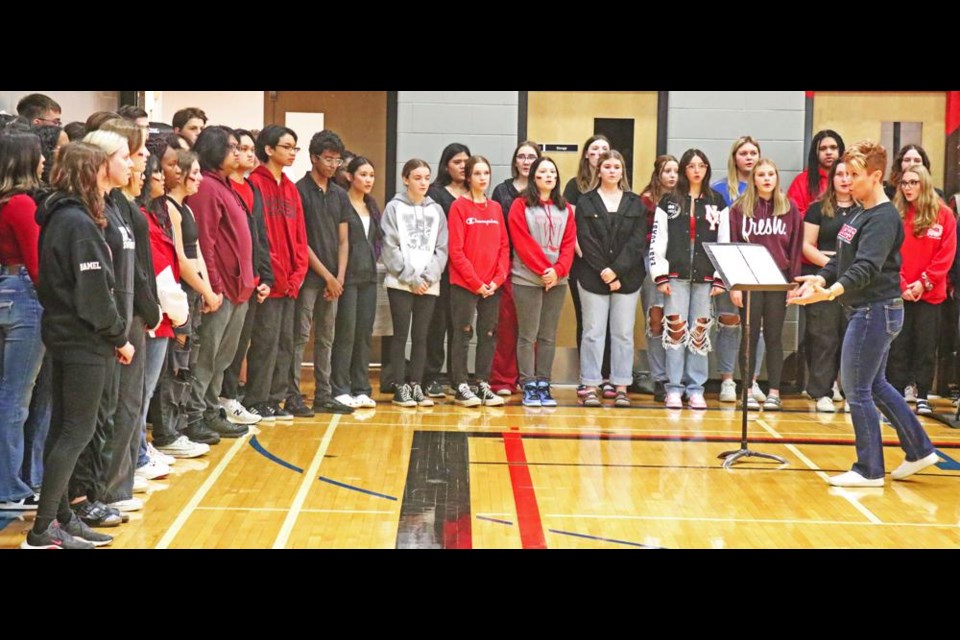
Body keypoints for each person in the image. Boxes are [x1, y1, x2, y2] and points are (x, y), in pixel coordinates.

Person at [791, 140, 939, 487]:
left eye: (855, 175)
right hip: (868, 308)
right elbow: (842, 260)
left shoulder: (884, 217)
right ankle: (919, 449)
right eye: (845, 174)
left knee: (856, 388)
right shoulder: (858, 211)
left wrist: (831, 292)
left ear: (875, 177)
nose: (847, 180)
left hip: (875, 309)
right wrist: (821, 276)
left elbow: (866, 268)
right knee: (875, 385)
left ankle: (869, 469)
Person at [24, 141, 131, 548]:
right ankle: (43, 528)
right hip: (82, 340)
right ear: (93, 172)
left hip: (66, 335)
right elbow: (93, 294)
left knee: (63, 429)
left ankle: (62, 516)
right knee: (75, 432)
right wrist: (119, 335)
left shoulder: (63, 217)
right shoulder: (78, 223)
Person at [183, 126, 256, 439]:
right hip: (221, 290)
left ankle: (211, 410)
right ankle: (196, 415)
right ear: (215, 151)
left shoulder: (226, 186)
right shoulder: (208, 189)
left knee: (223, 357)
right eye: (232, 147)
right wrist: (211, 289)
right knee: (208, 356)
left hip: (238, 289)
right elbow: (206, 243)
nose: (238, 153)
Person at [650, 149, 729, 410]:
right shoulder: (670, 201)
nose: (696, 170)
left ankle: (696, 388)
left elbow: (724, 241)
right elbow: (657, 239)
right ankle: (674, 388)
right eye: (691, 166)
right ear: (684, 169)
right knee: (675, 330)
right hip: (676, 274)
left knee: (699, 331)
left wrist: (720, 277)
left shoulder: (717, 201)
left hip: (705, 275)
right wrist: (660, 275)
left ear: (707, 169)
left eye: (702, 165)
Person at [728, 159, 804, 411]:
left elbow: (794, 247)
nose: (766, 178)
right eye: (761, 174)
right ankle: (747, 389)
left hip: (777, 279)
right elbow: (733, 247)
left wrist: (793, 283)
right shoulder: (740, 208)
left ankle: (774, 391)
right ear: (754, 178)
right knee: (748, 335)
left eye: (771, 173)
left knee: (774, 336)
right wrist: (735, 285)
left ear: (777, 177)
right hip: (749, 279)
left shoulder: (789, 208)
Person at [573, 150, 645, 408]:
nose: (612, 170)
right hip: (592, 276)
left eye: (617, 166)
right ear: (599, 170)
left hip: (628, 277)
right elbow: (585, 239)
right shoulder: (586, 202)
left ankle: (621, 385)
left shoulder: (635, 203)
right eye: (607, 166)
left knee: (623, 333)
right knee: (593, 332)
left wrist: (616, 271)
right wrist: (604, 270)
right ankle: (590, 384)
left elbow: (637, 243)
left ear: (622, 171)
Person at [246, 125, 309, 420]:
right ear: (269, 149)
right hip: (270, 282)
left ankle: (276, 397)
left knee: (286, 342)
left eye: (295, 147)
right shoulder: (256, 184)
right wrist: (270, 275)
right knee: (265, 342)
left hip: (291, 282)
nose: (292, 152)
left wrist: (298, 273)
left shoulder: (291, 187)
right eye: (286, 146)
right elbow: (260, 237)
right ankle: (258, 399)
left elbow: (299, 236)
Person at [886, 164, 957, 415]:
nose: (907, 187)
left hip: (931, 294)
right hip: (901, 292)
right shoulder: (895, 214)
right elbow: (891, 253)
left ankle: (923, 393)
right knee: (899, 346)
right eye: (904, 183)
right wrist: (904, 284)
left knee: (926, 346)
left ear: (924, 184)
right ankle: (895, 395)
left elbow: (946, 255)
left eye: (913, 182)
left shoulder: (944, 215)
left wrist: (925, 282)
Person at [291, 130, 353, 416]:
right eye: (328, 159)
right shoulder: (298, 190)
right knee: (301, 336)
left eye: (337, 161)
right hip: (308, 277)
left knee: (327, 337)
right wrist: (327, 276)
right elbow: (301, 241)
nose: (332, 165)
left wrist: (338, 277)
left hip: (333, 281)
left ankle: (324, 394)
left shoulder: (340, 194)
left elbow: (344, 239)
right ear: (314, 157)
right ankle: (292, 394)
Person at [0, 131, 46, 511]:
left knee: (12, 396)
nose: (44, 161)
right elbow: (37, 265)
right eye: (39, 155)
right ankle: (11, 486)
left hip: (7, 290)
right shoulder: (21, 204)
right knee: (16, 399)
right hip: (24, 295)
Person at [380, 159, 448, 408]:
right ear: (405, 178)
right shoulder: (394, 208)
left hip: (428, 284)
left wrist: (428, 278)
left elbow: (441, 249)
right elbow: (390, 246)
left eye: (426, 177)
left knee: (422, 336)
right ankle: (400, 386)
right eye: (417, 177)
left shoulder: (436, 210)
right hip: (401, 283)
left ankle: (416, 385)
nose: (423, 182)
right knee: (400, 335)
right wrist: (411, 277)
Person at [509, 157, 576, 408]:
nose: (549, 176)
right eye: (543, 171)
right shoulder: (520, 205)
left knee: (548, 335)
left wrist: (557, 272)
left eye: (552, 172)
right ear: (534, 177)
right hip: (526, 279)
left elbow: (569, 244)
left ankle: (543, 383)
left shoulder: (565, 208)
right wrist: (543, 269)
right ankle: (528, 383)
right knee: (528, 334)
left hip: (557, 281)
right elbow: (521, 240)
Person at [219, 129, 273, 424]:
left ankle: (229, 398)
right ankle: (221, 398)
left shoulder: (252, 189)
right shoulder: (223, 188)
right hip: (230, 282)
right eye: (242, 148)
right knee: (224, 346)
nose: (249, 154)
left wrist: (265, 276)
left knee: (241, 344)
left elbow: (259, 237)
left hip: (252, 280)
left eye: (252, 149)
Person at [447, 155, 510, 407]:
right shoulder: (459, 207)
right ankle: (461, 384)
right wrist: (476, 282)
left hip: (492, 286)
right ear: (468, 177)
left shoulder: (495, 208)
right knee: (463, 333)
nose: (482, 178)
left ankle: (483, 383)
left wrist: (497, 279)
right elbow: (456, 251)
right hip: (465, 284)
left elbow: (504, 247)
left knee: (488, 333)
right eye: (477, 174)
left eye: (486, 173)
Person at [802, 160, 860, 412]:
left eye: (850, 174)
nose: (845, 179)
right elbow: (806, 245)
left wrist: (846, 268)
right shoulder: (817, 209)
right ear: (831, 179)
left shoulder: (865, 211)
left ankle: (850, 393)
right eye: (840, 174)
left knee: (852, 337)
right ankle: (822, 392)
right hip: (822, 278)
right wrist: (833, 266)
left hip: (855, 281)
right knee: (823, 337)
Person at [711, 137, 763, 402]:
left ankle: (751, 382)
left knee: (756, 326)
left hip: (758, 266)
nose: (749, 157)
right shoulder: (719, 189)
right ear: (734, 158)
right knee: (729, 323)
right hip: (729, 264)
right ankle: (728, 381)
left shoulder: (767, 186)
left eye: (754, 152)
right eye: (743, 153)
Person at [489, 141, 540, 396]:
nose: (527, 161)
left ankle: (528, 376)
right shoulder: (502, 191)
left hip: (537, 266)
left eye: (532, 157)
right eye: (522, 156)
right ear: (515, 161)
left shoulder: (544, 190)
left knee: (532, 327)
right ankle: (503, 380)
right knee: (507, 324)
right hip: (510, 264)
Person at [563, 135, 612, 398]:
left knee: (609, 322)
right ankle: (587, 376)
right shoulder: (574, 187)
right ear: (586, 156)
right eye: (595, 150)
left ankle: (607, 376)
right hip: (582, 263)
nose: (600, 153)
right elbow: (572, 228)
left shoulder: (618, 185)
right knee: (587, 320)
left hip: (611, 266)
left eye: (605, 149)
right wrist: (590, 260)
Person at [330, 156, 381, 409]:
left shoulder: (371, 205)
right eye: (363, 174)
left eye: (371, 175)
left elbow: (376, 241)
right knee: (346, 332)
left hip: (368, 277)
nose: (368, 179)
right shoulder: (341, 202)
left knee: (364, 333)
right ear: (350, 176)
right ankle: (340, 386)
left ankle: (361, 387)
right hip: (347, 278)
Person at [423, 143, 470, 399]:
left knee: (460, 327)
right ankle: (431, 376)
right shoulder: (436, 194)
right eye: (457, 162)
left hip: (465, 271)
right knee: (436, 325)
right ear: (446, 166)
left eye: (466, 161)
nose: (463, 166)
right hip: (441, 269)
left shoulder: (475, 194)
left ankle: (458, 377)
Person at [634, 155, 677, 402]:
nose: (672, 175)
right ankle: (658, 376)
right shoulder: (647, 200)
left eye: (675, 171)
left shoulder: (686, 199)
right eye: (667, 171)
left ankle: (675, 377)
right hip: (652, 265)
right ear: (658, 174)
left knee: (676, 322)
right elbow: (642, 237)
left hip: (679, 266)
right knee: (655, 320)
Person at [787, 129, 845, 215]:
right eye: (823, 149)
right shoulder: (802, 180)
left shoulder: (849, 178)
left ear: (840, 150)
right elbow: (793, 215)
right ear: (816, 153)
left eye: (833, 147)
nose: (828, 152)